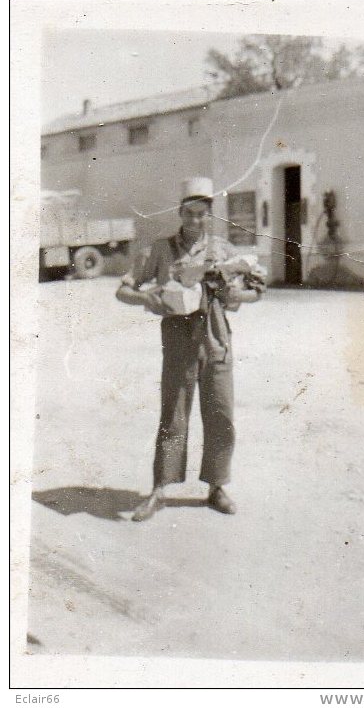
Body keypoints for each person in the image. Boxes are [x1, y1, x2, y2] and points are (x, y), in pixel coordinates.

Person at [116, 177, 264, 521]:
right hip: (178, 343)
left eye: (202, 214)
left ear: (210, 216)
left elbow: (256, 288)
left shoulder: (223, 250)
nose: (196, 221)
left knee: (221, 416)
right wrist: (148, 298)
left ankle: (216, 487)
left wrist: (236, 295)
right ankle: (159, 490)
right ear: (180, 213)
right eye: (190, 213)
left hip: (216, 341)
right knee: (173, 416)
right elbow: (123, 290)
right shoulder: (160, 250)